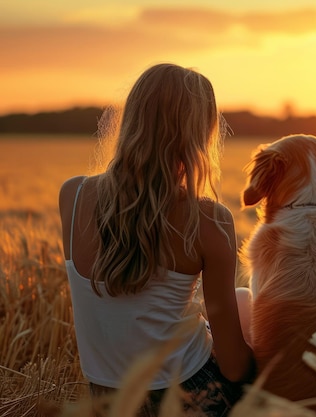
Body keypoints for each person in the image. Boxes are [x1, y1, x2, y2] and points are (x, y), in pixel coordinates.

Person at [58, 63, 255, 417]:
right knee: (247, 304)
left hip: (106, 400)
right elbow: (234, 367)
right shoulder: (210, 220)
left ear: (132, 118)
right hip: (190, 398)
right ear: (199, 134)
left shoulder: (72, 195)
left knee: (238, 300)